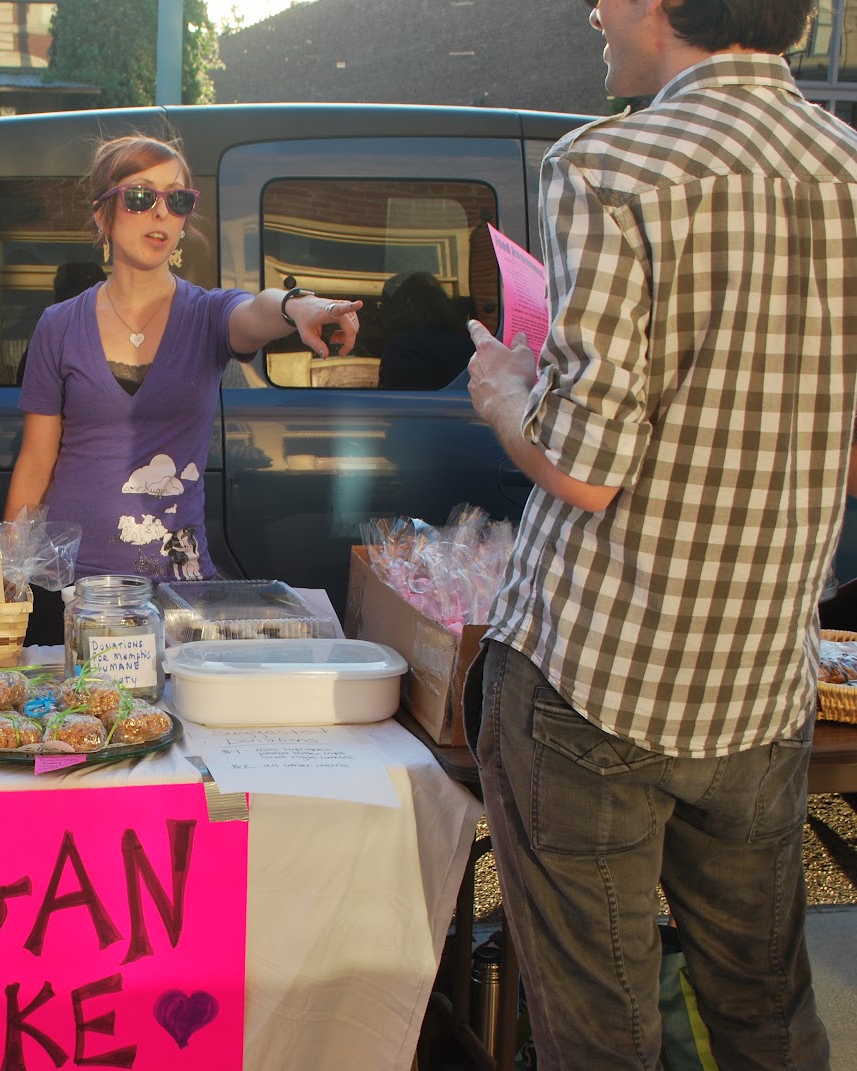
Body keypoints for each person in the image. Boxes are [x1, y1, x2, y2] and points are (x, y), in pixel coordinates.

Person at [464, 1, 857, 1067]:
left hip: (597, 668)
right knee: (767, 1011)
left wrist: (503, 390)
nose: (593, 8)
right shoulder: (846, 163)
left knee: (602, 1031)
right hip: (760, 676)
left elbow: (583, 472)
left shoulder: (612, 163)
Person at [5, 134, 362, 643]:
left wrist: (297, 306)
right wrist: (8, 578)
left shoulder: (207, 314)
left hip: (177, 595)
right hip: (74, 594)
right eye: (140, 196)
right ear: (102, 214)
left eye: (176, 200)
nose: (160, 214)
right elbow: (36, 464)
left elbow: (255, 312)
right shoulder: (58, 325)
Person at [376, 270, 472, 390]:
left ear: (401, 306)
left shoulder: (404, 349)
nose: (382, 312)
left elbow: (397, 401)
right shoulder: (467, 345)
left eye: (385, 304)